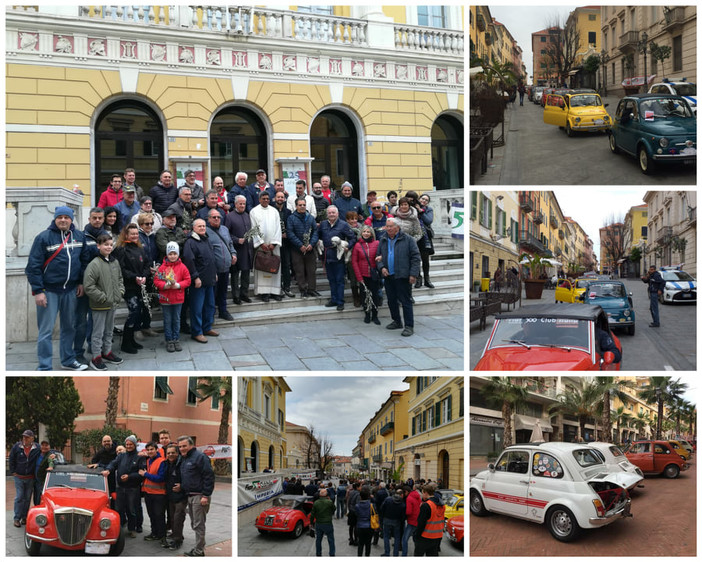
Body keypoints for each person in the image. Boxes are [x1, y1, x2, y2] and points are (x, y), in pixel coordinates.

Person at [25, 206, 91, 371]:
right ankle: (45, 366)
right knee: (46, 331)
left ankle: (68, 360)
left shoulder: (79, 236)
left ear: (71, 219)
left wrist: (81, 282)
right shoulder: (43, 238)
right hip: (49, 291)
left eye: (66, 217)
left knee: (70, 327)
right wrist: (38, 291)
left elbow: (84, 262)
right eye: (59, 217)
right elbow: (33, 267)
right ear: (55, 219)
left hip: (70, 290)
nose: (63, 220)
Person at [83, 233, 125, 370]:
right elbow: (89, 286)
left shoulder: (114, 262)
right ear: (98, 246)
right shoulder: (94, 264)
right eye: (105, 244)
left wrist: (120, 293)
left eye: (110, 244)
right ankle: (96, 356)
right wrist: (102, 298)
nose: (108, 247)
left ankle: (107, 352)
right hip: (100, 305)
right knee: (98, 332)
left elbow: (119, 279)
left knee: (109, 330)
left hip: (112, 303)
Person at [74, 207, 108, 362]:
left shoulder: (106, 236)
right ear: (89, 219)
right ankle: (77, 352)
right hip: (85, 285)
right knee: (81, 320)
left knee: (96, 319)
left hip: (100, 286)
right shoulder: (81, 236)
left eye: (100, 218)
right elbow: (80, 261)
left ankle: (93, 346)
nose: (97, 221)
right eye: (94, 218)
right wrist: (81, 282)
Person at [377, 218, 421, 337]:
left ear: (397, 227)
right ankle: (396, 321)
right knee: (391, 300)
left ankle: (409, 326)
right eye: (387, 226)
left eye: (391, 226)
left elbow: (416, 258)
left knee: (405, 301)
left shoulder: (408, 239)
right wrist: (382, 267)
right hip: (388, 275)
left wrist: (413, 274)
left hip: (403, 275)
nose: (389, 228)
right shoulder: (383, 239)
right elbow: (378, 257)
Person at [113, 223, 151, 354]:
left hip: (140, 285)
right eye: (132, 234)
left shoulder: (140, 247)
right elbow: (121, 269)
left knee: (139, 311)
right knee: (133, 311)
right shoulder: (120, 249)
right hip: (128, 286)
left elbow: (147, 263)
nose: (135, 236)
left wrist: (145, 276)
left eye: (136, 233)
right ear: (126, 235)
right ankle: (125, 342)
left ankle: (131, 340)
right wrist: (134, 277)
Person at [177, 435, 215, 557]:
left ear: (191, 445)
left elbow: (209, 476)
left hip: (199, 496)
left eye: (184, 446)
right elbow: (189, 477)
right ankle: (199, 546)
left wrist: (206, 495)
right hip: (190, 495)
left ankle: (199, 551)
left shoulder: (200, 457)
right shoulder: (184, 458)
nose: (182, 448)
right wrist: (182, 486)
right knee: (195, 523)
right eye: (180, 446)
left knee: (198, 524)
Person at [183, 218, 219, 343]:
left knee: (209, 305)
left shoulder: (206, 239)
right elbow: (189, 260)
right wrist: (195, 277)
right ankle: (197, 332)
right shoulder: (190, 242)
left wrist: (214, 273)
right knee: (197, 308)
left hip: (209, 279)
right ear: (194, 228)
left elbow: (211, 258)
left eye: (204, 226)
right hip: (198, 281)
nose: (202, 228)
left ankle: (207, 327)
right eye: (199, 226)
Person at [154, 242, 191, 352]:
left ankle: (176, 339)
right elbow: (157, 280)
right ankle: (169, 340)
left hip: (178, 298)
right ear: (167, 255)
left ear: (178, 254)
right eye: (170, 254)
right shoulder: (162, 268)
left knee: (176, 319)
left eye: (175, 253)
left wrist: (178, 285)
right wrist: (164, 286)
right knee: (167, 320)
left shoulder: (182, 267)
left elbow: (188, 280)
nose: (173, 256)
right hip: (166, 298)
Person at [103, 435, 143, 537]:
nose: (129, 446)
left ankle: (131, 529)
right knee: (119, 509)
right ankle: (118, 528)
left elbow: (141, 473)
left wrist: (129, 477)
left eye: (131, 444)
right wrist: (108, 469)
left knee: (131, 510)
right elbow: (113, 463)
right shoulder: (121, 456)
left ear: (134, 445)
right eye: (127, 444)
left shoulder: (139, 457)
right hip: (120, 488)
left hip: (132, 488)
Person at [318, 206, 356, 311]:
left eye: (333, 212)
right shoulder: (323, 224)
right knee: (331, 280)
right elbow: (318, 235)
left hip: (339, 257)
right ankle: (334, 299)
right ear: (327, 214)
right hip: (327, 256)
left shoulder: (343, 225)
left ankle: (340, 302)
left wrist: (348, 247)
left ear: (337, 214)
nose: (331, 214)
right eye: (329, 213)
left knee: (339, 280)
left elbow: (353, 237)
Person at [249, 191, 283, 303]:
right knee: (262, 269)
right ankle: (264, 293)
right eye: (263, 198)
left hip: (273, 246)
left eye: (267, 198)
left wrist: (274, 243)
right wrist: (261, 243)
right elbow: (254, 228)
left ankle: (275, 292)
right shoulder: (254, 211)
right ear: (259, 199)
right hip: (261, 247)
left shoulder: (274, 211)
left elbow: (278, 228)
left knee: (274, 267)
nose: (265, 200)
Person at [206, 209, 237, 320]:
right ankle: (211, 314)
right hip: (214, 269)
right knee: (213, 292)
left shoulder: (224, 229)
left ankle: (223, 311)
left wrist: (233, 254)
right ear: (209, 218)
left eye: (218, 217)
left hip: (226, 267)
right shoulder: (206, 231)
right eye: (214, 217)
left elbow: (230, 244)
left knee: (223, 291)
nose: (216, 219)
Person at [287, 198, 319, 298]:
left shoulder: (310, 218)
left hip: (310, 248)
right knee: (299, 271)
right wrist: (300, 245)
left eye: (304, 205)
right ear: (296, 206)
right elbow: (290, 233)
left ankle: (312, 289)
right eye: (300, 205)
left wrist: (311, 244)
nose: (302, 207)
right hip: (297, 249)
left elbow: (315, 232)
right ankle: (303, 290)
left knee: (311, 270)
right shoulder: (291, 218)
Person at [225, 195, 253, 304]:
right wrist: (236, 240)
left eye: (244, 204)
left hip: (247, 250)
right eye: (240, 203)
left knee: (246, 274)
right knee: (235, 275)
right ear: (235, 204)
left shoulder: (247, 215)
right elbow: (226, 234)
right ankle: (236, 296)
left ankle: (244, 294)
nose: (242, 205)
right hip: (236, 250)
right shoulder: (230, 216)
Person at [139, 441, 168, 545]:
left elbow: (160, 478)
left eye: (152, 449)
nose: (150, 451)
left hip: (159, 494)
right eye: (148, 450)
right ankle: (154, 533)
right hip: (148, 493)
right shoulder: (148, 461)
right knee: (151, 515)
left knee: (159, 515)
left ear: (156, 450)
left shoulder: (162, 462)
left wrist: (146, 474)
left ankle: (162, 536)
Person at [9, 430, 41, 527]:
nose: (25, 439)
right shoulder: (17, 447)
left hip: (30, 478)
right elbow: (11, 459)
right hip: (19, 477)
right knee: (19, 497)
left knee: (27, 498)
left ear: (32, 438)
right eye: (24, 437)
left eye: (27, 437)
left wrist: (51, 456)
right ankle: (17, 518)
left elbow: (44, 453)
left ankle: (24, 517)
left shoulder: (37, 448)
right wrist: (13, 471)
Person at [352, 225, 381, 324]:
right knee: (364, 295)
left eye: (368, 232)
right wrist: (359, 277)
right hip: (363, 275)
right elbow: (354, 262)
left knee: (375, 295)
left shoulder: (377, 243)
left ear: (371, 233)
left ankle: (375, 315)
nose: (366, 233)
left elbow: (380, 256)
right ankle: (367, 314)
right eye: (364, 231)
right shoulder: (357, 245)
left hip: (374, 274)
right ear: (361, 233)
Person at [163, 444, 186, 550]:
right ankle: (176, 535)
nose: (170, 455)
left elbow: (189, 478)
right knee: (172, 518)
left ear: (177, 453)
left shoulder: (182, 464)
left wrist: (182, 486)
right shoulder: (167, 463)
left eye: (173, 453)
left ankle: (177, 541)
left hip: (181, 497)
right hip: (171, 496)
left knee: (178, 519)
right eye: (168, 453)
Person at [274, 191, 295, 298]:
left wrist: (287, 233)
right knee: (276, 265)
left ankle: (287, 287)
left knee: (286, 265)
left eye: (282, 197)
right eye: (278, 197)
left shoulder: (288, 211)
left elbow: (291, 225)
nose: (280, 199)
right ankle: (277, 288)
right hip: (274, 243)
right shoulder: (271, 210)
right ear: (275, 198)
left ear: (285, 199)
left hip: (286, 243)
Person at [414, 483, 444, 556]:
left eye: (422, 493)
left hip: (425, 537)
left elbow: (421, 523)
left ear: (426, 493)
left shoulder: (426, 505)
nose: (421, 495)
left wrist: (416, 535)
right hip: (437, 537)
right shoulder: (442, 505)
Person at [88, 435, 118, 508]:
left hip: (115, 479)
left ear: (111, 441)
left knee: (115, 500)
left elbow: (115, 463)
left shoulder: (117, 451)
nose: (106, 443)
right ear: (102, 443)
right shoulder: (100, 452)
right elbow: (94, 461)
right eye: (105, 441)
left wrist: (100, 465)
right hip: (103, 479)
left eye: (108, 441)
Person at [414, 192, 435, 289]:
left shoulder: (428, 210)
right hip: (414, 236)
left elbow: (428, 221)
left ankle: (427, 279)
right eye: (423, 199)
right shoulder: (413, 208)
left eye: (426, 200)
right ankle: (418, 279)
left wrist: (420, 210)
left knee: (425, 260)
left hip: (425, 237)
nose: (424, 201)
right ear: (419, 199)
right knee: (416, 259)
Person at [310, 488, 336, 556]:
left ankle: (318, 553)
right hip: (328, 523)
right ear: (327, 495)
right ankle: (332, 553)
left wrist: (311, 523)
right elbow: (334, 509)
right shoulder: (329, 502)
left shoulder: (316, 503)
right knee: (331, 540)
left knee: (318, 540)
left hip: (319, 523)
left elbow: (312, 514)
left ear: (319, 495)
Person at [380, 488, 406, 557]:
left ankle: (387, 552)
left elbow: (382, 508)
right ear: (401, 495)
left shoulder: (388, 499)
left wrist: (382, 517)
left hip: (387, 519)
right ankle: (395, 553)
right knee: (397, 537)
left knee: (386, 536)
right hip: (396, 521)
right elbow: (403, 516)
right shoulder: (402, 504)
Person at [402, 484, 421, 556]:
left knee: (404, 539)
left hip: (412, 521)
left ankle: (404, 555)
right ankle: (417, 554)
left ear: (406, 492)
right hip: (417, 520)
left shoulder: (409, 498)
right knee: (415, 538)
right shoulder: (417, 495)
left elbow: (408, 512)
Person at [355, 487, 373, 556]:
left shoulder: (357, 506)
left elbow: (356, 514)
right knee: (368, 544)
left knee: (360, 543)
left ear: (360, 497)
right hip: (369, 526)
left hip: (360, 526)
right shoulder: (371, 505)